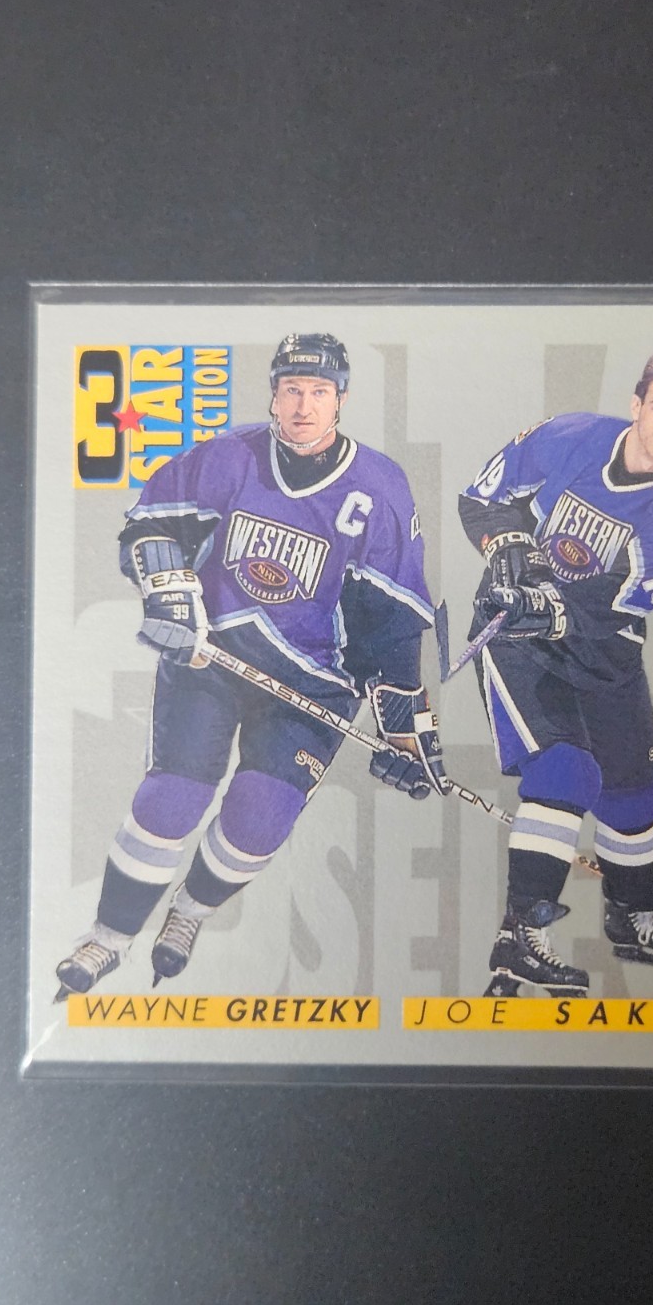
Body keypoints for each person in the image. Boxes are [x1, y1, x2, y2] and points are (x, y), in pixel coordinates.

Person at [56, 333, 445, 998]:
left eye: (318, 391)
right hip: (212, 655)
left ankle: (189, 911)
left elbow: (393, 619)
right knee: (172, 799)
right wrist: (169, 591)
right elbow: (149, 526)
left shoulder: (379, 489)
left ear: (341, 399)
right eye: (291, 389)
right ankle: (110, 937)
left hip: (313, 684)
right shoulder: (227, 456)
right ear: (273, 395)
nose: (303, 405)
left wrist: (406, 728)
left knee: (259, 818)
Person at [458, 350, 653, 997]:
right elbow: (482, 499)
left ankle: (631, 917)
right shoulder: (570, 436)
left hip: (604, 649)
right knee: (567, 771)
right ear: (636, 406)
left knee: (635, 797)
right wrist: (507, 546)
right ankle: (519, 940)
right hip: (516, 636)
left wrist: (556, 606)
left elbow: (626, 602)